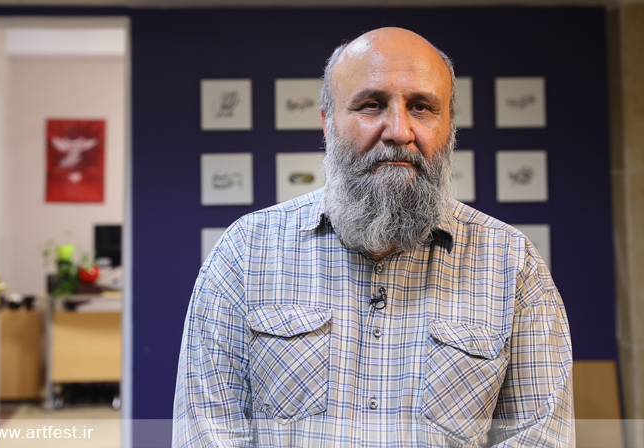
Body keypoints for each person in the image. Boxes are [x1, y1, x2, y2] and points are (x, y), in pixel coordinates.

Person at [173, 27, 574, 447]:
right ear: (327, 123)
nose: (399, 130)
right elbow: (207, 434)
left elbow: (540, 437)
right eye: (371, 105)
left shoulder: (512, 265)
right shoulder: (245, 254)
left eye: (421, 107)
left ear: (449, 127)